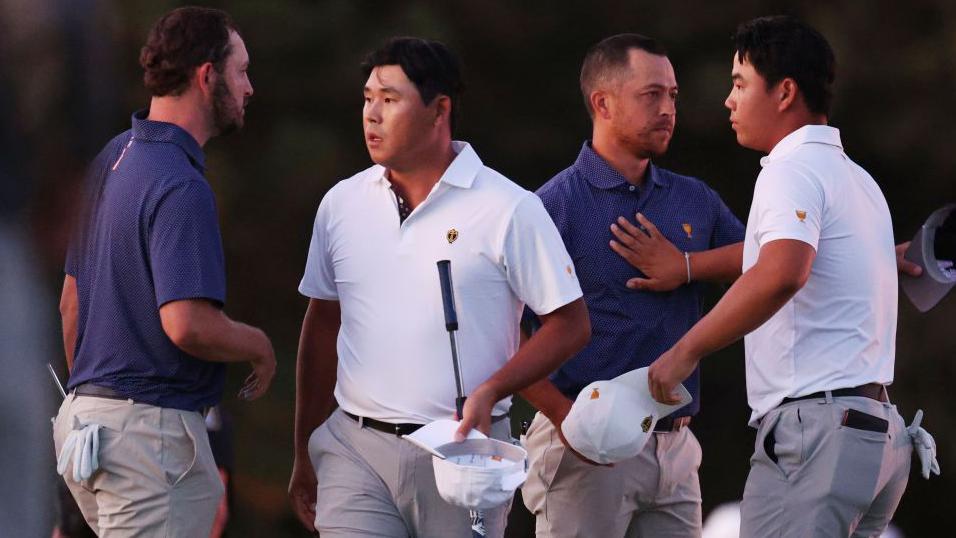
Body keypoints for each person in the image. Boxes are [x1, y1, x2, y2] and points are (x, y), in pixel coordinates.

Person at [287, 37, 590, 538]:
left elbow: (571, 324)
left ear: (439, 109)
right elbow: (322, 323)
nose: (372, 114)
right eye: (367, 98)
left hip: (464, 455)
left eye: (389, 98)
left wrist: (495, 387)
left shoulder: (508, 207)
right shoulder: (341, 204)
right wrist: (303, 449)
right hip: (353, 450)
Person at [646, 16, 912, 537]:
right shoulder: (859, 180)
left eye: (740, 83)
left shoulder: (789, 169)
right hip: (877, 437)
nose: (729, 99)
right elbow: (777, 258)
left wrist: (686, 350)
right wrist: (686, 268)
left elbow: (781, 271)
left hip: (817, 435)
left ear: (785, 91)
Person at [54, 7, 276, 536]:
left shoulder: (112, 157)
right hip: (148, 442)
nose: (249, 87)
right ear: (206, 75)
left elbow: (70, 304)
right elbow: (186, 324)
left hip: (85, 426)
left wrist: (96, 401)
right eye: (241, 70)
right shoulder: (181, 184)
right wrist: (258, 345)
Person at [518, 34, 744, 538]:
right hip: (582, 448)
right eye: (652, 95)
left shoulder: (693, 198)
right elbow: (502, 326)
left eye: (673, 96)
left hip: (677, 446)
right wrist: (564, 418)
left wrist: (685, 265)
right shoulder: (550, 207)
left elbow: (768, 261)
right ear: (603, 102)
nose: (668, 109)